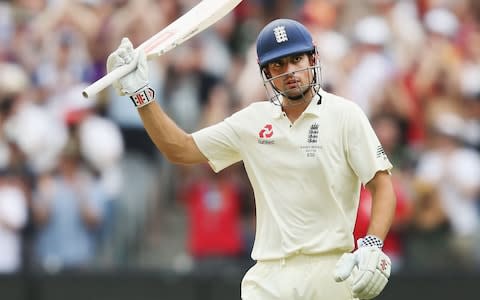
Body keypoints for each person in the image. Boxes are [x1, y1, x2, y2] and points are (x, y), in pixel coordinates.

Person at [106, 18, 397, 300]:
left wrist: (372, 244)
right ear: (267, 73)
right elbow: (180, 149)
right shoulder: (253, 121)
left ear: (313, 59)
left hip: (331, 271)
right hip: (269, 276)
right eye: (279, 64)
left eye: (297, 59)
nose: (290, 71)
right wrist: (142, 96)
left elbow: (382, 186)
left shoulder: (345, 115)